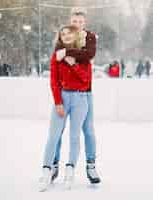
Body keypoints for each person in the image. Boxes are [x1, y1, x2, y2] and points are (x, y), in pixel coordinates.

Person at [49, 8, 101, 189]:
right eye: (74, 21)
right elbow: (57, 57)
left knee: (88, 130)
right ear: (70, 21)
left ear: (84, 22)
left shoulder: (90, 37)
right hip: (67, 92)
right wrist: (65, 53)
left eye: (80, 22)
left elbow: (89, 55)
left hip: (85, 92)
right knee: (58, 132)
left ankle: (91, 165)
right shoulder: (64, 36)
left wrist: (68, 53)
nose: (77, 25)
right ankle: (53, 164)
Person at [39, 25, 92, 192]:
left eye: (69, 33)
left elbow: (86, 80)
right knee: (53, 135)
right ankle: (46, 171)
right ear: (60, 38)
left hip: (81, 99)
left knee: (75, 136)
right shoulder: (56, 55)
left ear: (75, 35)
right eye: (63, 34)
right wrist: (58, 102)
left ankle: (70, 171)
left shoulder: (82, 55)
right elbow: (54, 81)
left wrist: (74, 63)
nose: (66, 36)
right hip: (62, 97)